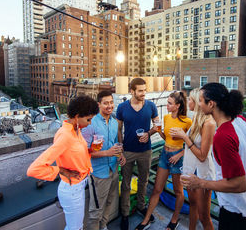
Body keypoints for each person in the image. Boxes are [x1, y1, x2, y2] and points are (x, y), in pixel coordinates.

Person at [181, 83, 246, 230]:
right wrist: (243, 172)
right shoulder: (240, 121)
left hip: (236, 208)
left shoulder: (222, 136)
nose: (198, 104)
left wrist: (200, 183)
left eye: (200, 100)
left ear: (211, 104)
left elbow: (239, 185)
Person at [27, 95, 99, 230]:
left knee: (76, 226)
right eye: (88, 119)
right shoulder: (66, 135)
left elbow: (73, 154)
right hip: (72, 189)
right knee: (75, 228)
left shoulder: (76, 130)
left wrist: (89, 150)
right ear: (77, 117)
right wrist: (61, 170)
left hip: (79, 186)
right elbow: (33, 169)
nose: (90, 123)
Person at [135, 91, 192, 230]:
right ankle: (146, 220)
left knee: (179, 191)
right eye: (167, 102)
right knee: (156, 189)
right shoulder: (166, 118)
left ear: (177, 106)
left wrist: (179, 155)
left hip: (177, 157)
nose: (166, 105)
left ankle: (174, 219)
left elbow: (192, 143)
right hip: (164, 155)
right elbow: (166, 139)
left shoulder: (187, 122)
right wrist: (158, 129)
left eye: (169, 103)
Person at [169, 88, 216, 230]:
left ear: (197, 102)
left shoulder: (209, 123)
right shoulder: (196, 118)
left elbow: (202, 156)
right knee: (193, 204)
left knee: (204, 217)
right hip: (190, 169)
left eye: (190, 99)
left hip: (201, 173)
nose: (187, 101)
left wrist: (184, 137)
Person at [117, 78, 159, 230]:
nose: (144, 93)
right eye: (140, 91)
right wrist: (121, 148)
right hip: (127, 151)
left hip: (145, 151)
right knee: (126, 184)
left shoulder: (151, 106)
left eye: (145, 90)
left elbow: (157, 125)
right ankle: (125, 214)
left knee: (144, 181)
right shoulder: (122, 107)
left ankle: (141, 207)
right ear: (132, 91)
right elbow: (118, 129)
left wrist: (148, 133)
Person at [81, 90, 127, 230]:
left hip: (113, 170)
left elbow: (114, 144)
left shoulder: (114, 123)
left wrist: (121, 155)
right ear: (98, 104)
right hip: (98, 174)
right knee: (95, 212)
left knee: (109, 202)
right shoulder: (90, 123)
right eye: (106, 103)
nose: (109, 106)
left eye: (111, 102)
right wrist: (107, 153)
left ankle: (103, 226)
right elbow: (84, 152)